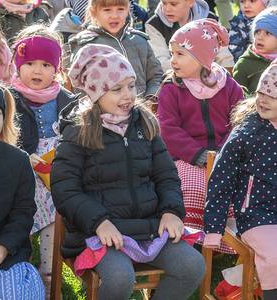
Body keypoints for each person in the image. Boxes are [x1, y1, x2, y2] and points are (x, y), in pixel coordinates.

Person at [50, 44, 206, 300]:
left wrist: (170, 211)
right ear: (95, 94)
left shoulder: (145, 125)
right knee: (121, 277)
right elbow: (64, 189)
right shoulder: (78, 133)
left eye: (131, 86)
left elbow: (166, 176)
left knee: (192, 266)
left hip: (149, 229)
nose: (128, 96)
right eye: (117, 89)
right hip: (100, 233)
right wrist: (99, 222)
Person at [8, 24, 84, 299]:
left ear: (57, 69)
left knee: (55, 227)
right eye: (29, 63)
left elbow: (78, 139)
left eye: (45, 64)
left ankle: (50, 278)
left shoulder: (68, 101)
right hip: (21, 179)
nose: (37, 71)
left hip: (56, 181)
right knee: (17, 228)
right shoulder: (8, 99)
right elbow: (2, 137)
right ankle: (20, 278)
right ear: (17, 66)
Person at [157, 19, 245, 253]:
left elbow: (239, 124)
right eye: (171, 53)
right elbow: (168, 129)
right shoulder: (171, 88)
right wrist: (199, 156)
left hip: (225, 159)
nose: (173, 60)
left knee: (240, 188)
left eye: (180, 54)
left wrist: (224, 155)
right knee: (192, 190)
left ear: (202, 58)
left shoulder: (229, 86)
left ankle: (229, 242)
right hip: (185, 158)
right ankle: (189, 242)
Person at [204, 59, 277, 300]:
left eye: (272, 96)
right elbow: (220, 180)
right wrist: (213, 229)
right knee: (275, 254)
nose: (263, 100)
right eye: (260, 92)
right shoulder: (247, 132)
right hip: (256, 213)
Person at [0, 72, 45, 300]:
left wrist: (4, 246)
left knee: (15, 292)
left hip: (7, 257)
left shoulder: (18, 160)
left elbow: (23, 213)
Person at [69, 0, 164, 102]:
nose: (115, 16)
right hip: (104, 115)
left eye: (120, 9)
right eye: (107, 10)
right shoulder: (86, 46)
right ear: (93, 12)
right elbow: (81, 88)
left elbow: (156, 76)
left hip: (143, 112)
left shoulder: (139, 40)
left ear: (127, 10)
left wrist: (151, 100)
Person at [145, 0, 234, 73]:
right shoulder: (154, 25)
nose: (167, 9)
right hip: (174, 80)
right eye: (164, 3)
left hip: (211, 78)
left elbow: (224, 58)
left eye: (173, 4)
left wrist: (222, 80)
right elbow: (162, 63)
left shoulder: (210, 20)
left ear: (190, 2)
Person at [232, 7, 277, 96]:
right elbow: (236, 97)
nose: (260, 37)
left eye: (268, 33)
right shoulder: (244, 64)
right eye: (257, 32)